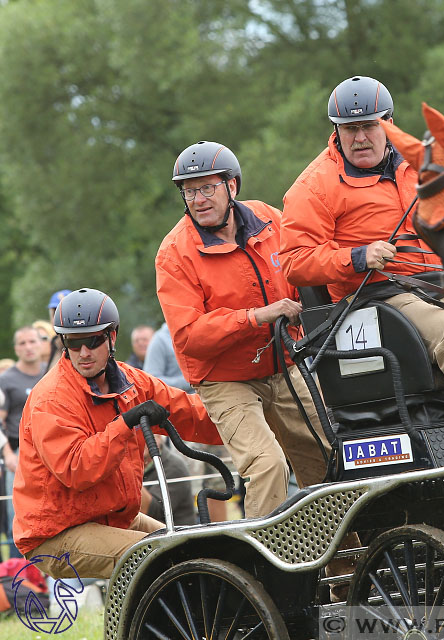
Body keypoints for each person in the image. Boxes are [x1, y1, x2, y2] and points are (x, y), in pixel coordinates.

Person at [279, 76, 444, 429]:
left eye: (369, 126)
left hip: (443, 282)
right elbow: (295, 263)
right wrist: (358, 257)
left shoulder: (423, 162)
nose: (360, 138)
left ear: (389, 123)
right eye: (350, 129)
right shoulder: (314, 186)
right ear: (336, 130)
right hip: (380, 296)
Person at [156, 140, 333, 520]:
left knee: (329, 456)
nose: (198, 199)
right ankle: (266, 572)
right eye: (189, 191)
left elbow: (304, 267)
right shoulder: (174, 253)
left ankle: (342, 570)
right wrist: (257, 316)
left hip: (285, 366)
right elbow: (189, 337)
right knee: (268, 465)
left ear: (232, 186)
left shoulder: (270, 219)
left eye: (207, 187)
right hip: (225, 380)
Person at [12, 288, 222, 579]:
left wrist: (249, 423)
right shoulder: (51, 399)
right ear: (63, 342)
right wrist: (124, 424)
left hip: (109, 516)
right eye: (74, 343)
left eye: (93, 340)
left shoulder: (130, 380)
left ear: (112, 336)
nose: (84, 352)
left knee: (190, 549)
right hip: (55, 533)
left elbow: (188, 412)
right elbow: (77, 469)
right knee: (160, 558)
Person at [143, 322, 231, 522]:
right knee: (192, 483)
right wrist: (191, 380)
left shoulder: (208, 332)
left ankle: (223, 535)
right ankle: (196, 535)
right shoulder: (160, 340)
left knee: (220, 482)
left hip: (217, 417)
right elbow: (150, 382)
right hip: (184, 424)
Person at [0, 326, 47, 559]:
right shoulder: (6, 380)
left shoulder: (51, 374)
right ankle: (16, 577)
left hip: (51, 452)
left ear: (41, 344)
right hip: (18, 455)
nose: (28, 347)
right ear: (16, 348)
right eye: (22, 343)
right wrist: (7, 453)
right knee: (17, 516)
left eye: (32, 341)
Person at [46, 290, 71, 369]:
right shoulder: (54, 343)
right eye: (55, 313)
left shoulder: (82, 345)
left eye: (64, 312)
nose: (59, 319)